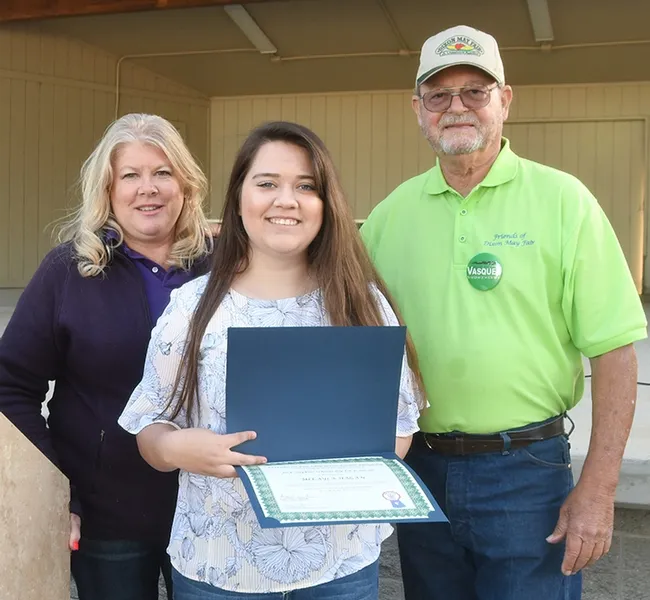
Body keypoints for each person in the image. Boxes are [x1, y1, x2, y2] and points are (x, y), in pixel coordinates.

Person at [360, 24, 648, 600]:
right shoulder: (389, 218)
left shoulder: (565, 202)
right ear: (418, 110)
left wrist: (597, 487)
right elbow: (355, 344)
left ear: (505, 101)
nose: (456, 107)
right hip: (421, 466)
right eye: (438, 95)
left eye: (475, 91)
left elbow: (615, 353)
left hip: (527, 473)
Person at [117, 120, 425, 599]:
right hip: (218, 566)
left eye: (306, 186)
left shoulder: (362, 305)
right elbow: (150, 427)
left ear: (327, 205)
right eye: (267, 184)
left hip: (338, 566)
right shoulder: (194, 307)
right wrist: (180, 450)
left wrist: (344, 476)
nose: (287, 200)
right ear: (239, 199)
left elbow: (400, 428)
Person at [0, 113, 215, 600]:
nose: (149, 189)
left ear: (185, 183)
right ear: (108, 187)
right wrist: (55, 494)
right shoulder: (69, 271)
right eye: (131, 175)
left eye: (163, 173)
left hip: (214, 508)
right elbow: (11, 386)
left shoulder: (224, 266)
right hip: (107, 514)